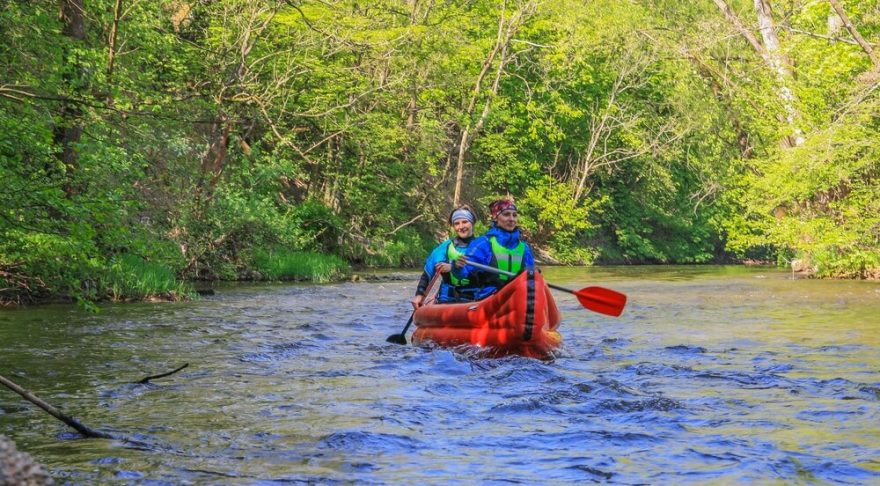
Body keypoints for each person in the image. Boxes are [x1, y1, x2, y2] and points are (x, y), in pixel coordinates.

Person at [452, 199, 535, 300]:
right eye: (506, 214)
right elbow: (462, 273)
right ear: (495, 218)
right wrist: (457, 267)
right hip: (490, 297)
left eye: (514, 215)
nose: (511, 219)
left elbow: (532, 278)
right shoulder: (483, 244)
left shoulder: (524, 248)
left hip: (516, 295)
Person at [410, 205, 482, 309]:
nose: (461, 227)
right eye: (456, 223)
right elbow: (427, 273)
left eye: (465, 222)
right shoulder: (446, 246)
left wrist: (451, 267)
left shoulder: (482, 246)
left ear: (472, 223)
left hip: (474, 300)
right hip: (447, 301)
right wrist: (419, 294)